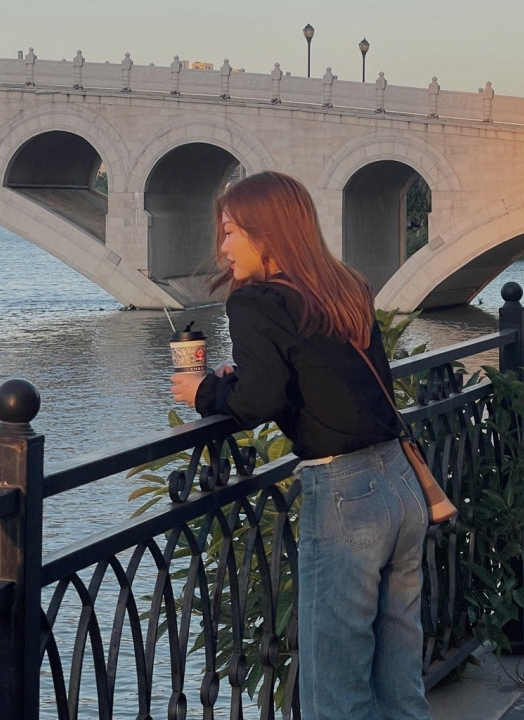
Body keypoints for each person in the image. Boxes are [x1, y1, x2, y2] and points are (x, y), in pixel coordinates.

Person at [170, 171, 432, 720]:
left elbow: (258, 402)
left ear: (265, 233)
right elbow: (319, 374)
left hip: (346, 496)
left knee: (335, 689)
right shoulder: (343, 287)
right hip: (399, 480)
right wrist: (241, 380)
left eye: (230, 232)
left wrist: (204, 392)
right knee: (399, 682)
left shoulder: (257, 302)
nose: (223, 248)